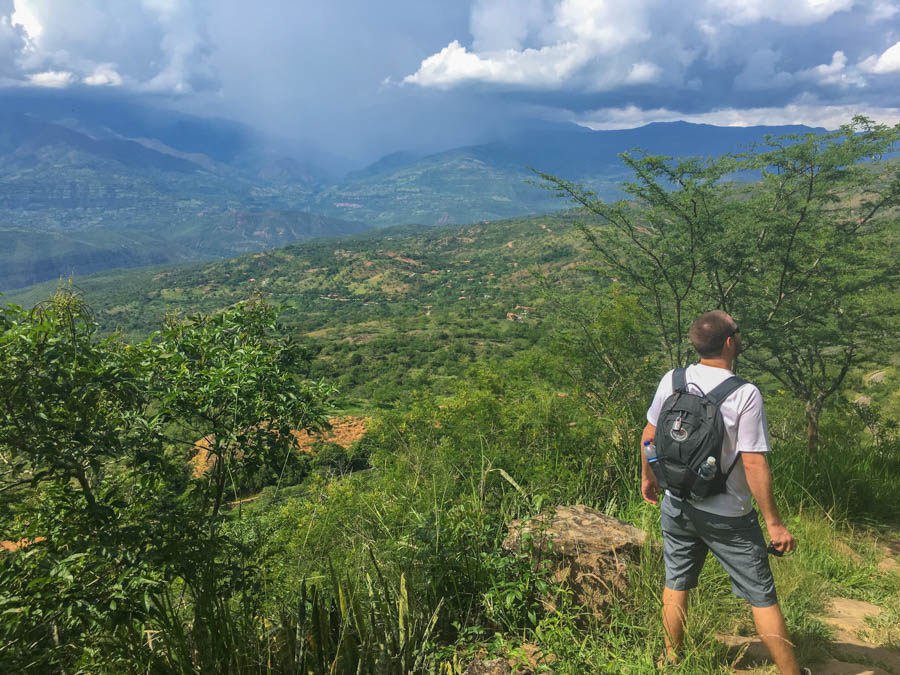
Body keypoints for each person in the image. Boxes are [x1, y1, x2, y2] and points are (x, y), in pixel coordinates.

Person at [641, 310, 807, 674]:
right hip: (728, 514)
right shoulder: (745, 393)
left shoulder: (674, 378)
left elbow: (649, 435)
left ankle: (670, 661)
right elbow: (753, 464)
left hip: (677, 502)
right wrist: (774, 524)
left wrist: (649, 478)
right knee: (762, 597)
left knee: (676, 583)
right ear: (730, 342)